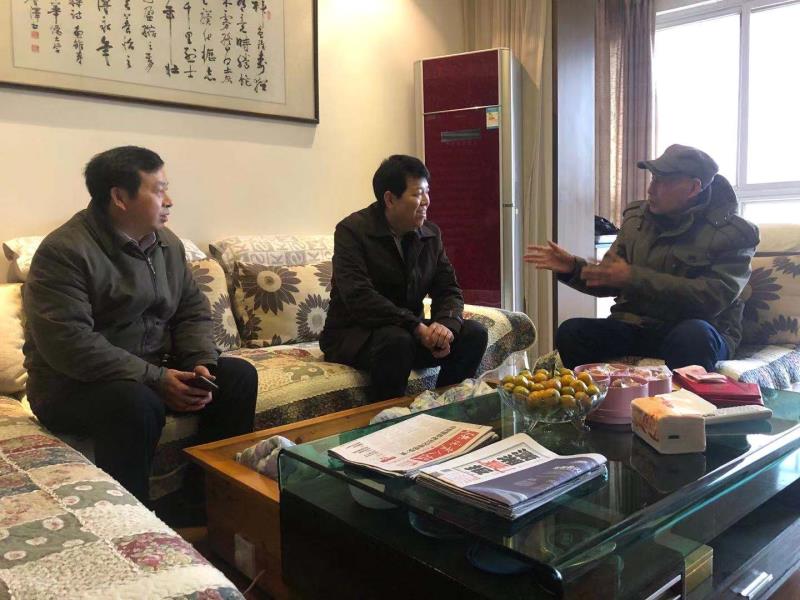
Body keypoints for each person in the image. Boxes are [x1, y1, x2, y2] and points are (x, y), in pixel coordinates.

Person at [23, 146, 258, 504]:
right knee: (135, 402)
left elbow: (191, 311)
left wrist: (200, 363)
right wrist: (156, 379)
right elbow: (70, 344)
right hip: (72, 385)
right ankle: (137, 514)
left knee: (237, 377)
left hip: (152, 371)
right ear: (120, 197)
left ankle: (203, 503)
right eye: (159, 190)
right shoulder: (64, 251)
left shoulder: (168, 244)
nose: (170, 201)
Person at [525, 144, 759, 372]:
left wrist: (632, 277)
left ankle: (681, 400)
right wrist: (572, 268)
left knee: (693, 336)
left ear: (693, 188)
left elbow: (712, 298)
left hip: (698, 329)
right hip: (636, 325)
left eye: (662, 181)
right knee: (572, 332)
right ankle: (596, 398)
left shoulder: (733, 234)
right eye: (653, 178)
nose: (650, 189)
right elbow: (609, 279)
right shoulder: (636, 220)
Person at [320, 154, 488, 401]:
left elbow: (448, 289)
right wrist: (415, 327)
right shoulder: (352, 231)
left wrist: (445, 325)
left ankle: (445, 408)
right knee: (397, 341)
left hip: (409, 331)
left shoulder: (430, 234)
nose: (427, 201)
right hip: (356, 336)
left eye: (427, 192)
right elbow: (359, 297)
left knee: (474, 333)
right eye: (418, 194)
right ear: (390, 199)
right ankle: (389, 418)